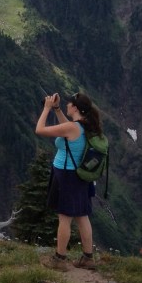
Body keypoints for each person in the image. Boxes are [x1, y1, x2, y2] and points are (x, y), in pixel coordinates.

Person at [35, 91, 102, 270]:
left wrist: (47, 108)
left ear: (75, 108)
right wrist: (57, 109)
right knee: (82, 216)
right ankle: (88, 257)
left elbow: (39, 130)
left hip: (66, 176)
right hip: (80, 176)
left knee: (64, 218)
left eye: (69, 104)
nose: (67, 105)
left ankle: (60, 259)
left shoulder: (72, 128)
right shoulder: (86, 125)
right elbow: (68, 128)